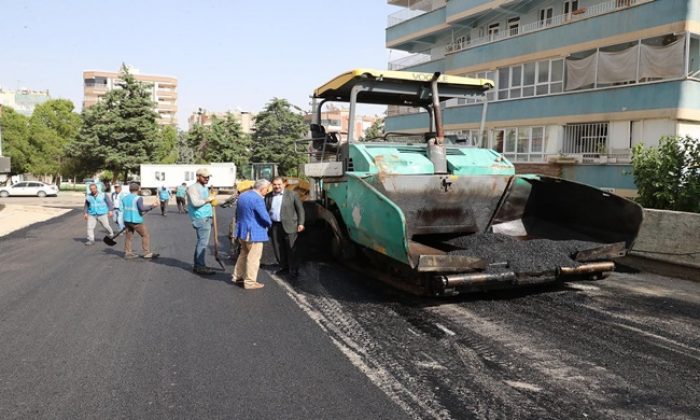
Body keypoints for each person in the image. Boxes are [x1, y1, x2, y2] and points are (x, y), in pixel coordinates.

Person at [233, 179, 272, 290]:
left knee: (243, 254)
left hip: (242, 230)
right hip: (254, 232)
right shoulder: (258, 199)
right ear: (263, 189)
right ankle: (250, 282)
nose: (267, 191)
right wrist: (270, 223)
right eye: (267, 189)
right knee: (253, 258)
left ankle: (237, 276)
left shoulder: (243, 196)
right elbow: (264, 216)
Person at [265, 176, 305, 279]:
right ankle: (284, 267)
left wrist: (301, 223)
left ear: (284, 184)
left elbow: (300, 210)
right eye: (275, 184)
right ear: (272, 185)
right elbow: (266, 210)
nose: (277, 186)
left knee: (291, 248)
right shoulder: (268, 196)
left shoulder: (292, 194)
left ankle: (294, 269)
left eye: (279, 184)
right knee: (278, 248)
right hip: (274, 226)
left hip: (290, 225)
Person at [187, 168, 217, 275]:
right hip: (200, 218)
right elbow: (195, 203)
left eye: (208, 177)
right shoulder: (193, 188)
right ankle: (200, 266)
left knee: (202, 242)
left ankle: (198, 265)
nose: (207, 179)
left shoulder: (204, 187)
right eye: (204, 177)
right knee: (203, 243)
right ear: (198, 176)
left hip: (206, 217)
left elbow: (208, 201)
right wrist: (208, 199)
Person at [122, 183, 157, 259]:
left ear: (129, 189)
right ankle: (146, 253)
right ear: (138, 189)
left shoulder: (124, 198)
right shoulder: (138, 198)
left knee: (129, 237)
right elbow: (142, 208)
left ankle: (128, 253)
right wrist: (152, 206)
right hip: (136, 221)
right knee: (145, 235)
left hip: (127, 220)